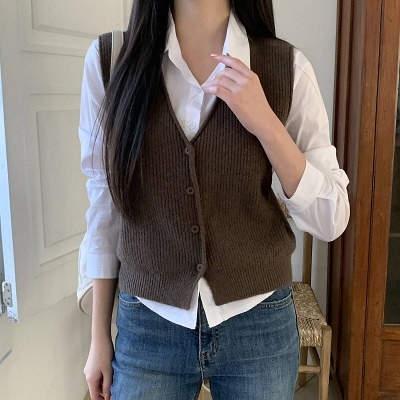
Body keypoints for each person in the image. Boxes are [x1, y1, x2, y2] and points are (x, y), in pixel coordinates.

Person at [79, 0, 350, 399]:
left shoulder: (287, 67)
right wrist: (98, 336)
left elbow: (331, 218)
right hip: (148, 324)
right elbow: (105, 205)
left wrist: (266, 124)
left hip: (259, 322)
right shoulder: (110, 60)